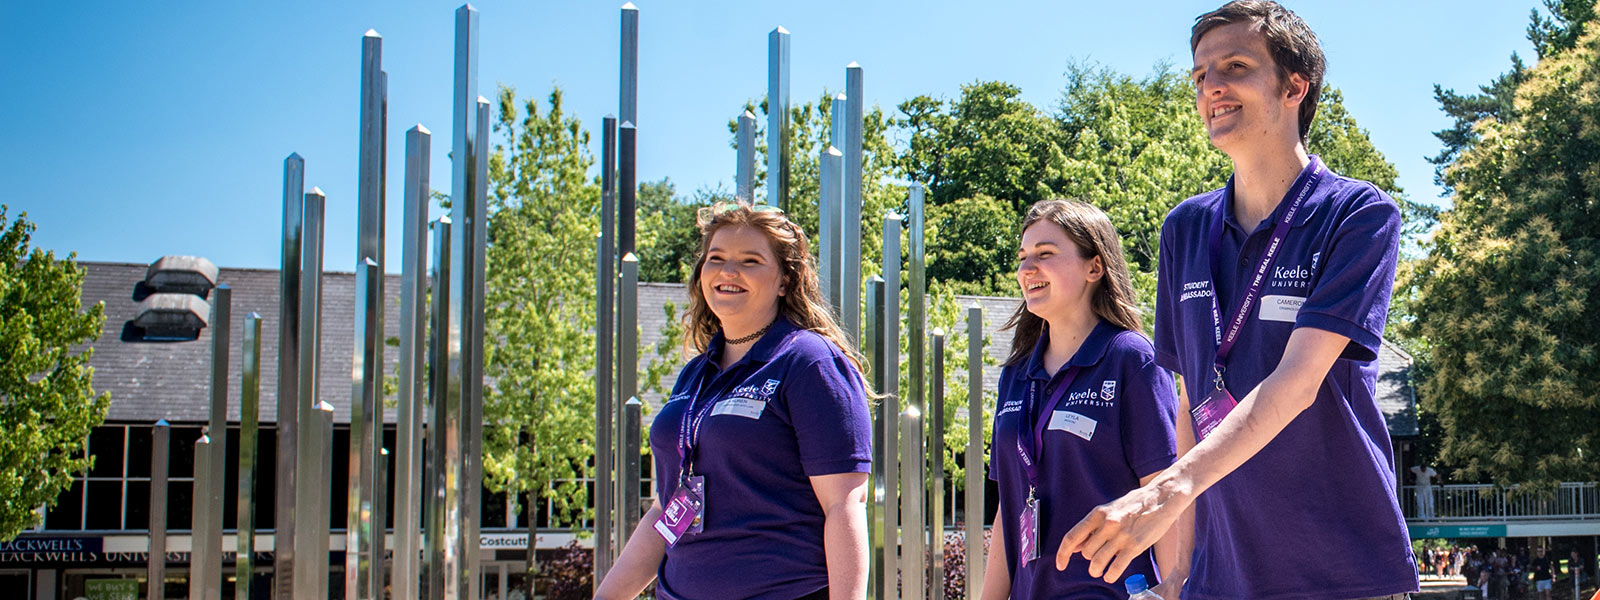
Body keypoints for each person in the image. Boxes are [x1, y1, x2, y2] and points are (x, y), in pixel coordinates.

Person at [1051, 2, 1420, 599]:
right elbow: (1190, 400)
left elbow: (1297, 383)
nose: (1211, 88)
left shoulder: (1358, 214)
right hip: (1220, 578)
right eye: (1201, 75)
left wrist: (1164, 490)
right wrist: (1178, 574)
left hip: (1341, 572)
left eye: (1236, 67)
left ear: (1295, 86)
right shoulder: (1184, 229)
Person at [593, 203, 873, 600]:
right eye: (716, 258)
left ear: (785, 280)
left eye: (750, 261)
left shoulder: (809, 362)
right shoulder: (695, 374)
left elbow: (844, 505)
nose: (728, 271)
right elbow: (665, 508)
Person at [980, 200, 1182, 599]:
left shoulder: (1132, 359)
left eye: (1045, 254)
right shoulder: (1016, 374)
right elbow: (1010, 506)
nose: (1026, 269)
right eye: (1022, 257)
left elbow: (1164, 495)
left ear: (1095, 267)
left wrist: (1172, 591)